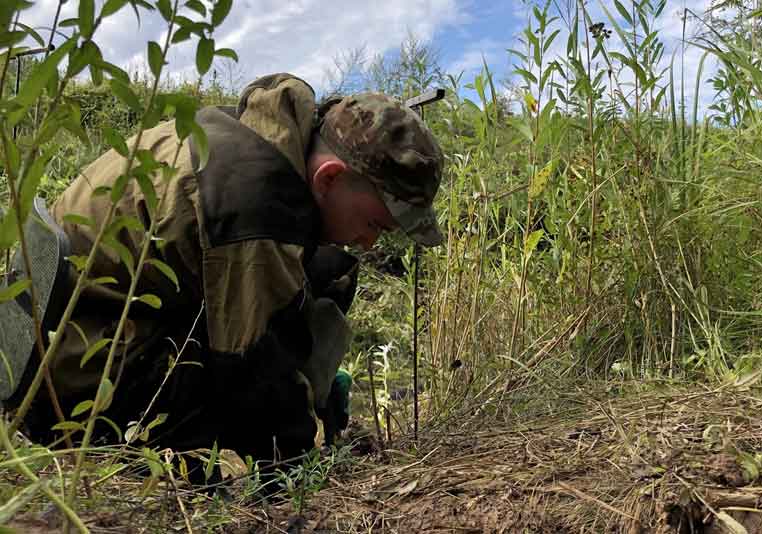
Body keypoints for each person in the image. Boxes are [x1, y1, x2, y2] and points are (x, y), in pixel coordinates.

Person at [12, 73, 444, 469]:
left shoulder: (256, 137)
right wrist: (302, 461)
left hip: (71, 331)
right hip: (72, 377)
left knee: (327, 267)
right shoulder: (255, 202)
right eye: (374, 224)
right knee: (246, 406)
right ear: (329, 179)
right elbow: (251, 368)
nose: (369, 243)